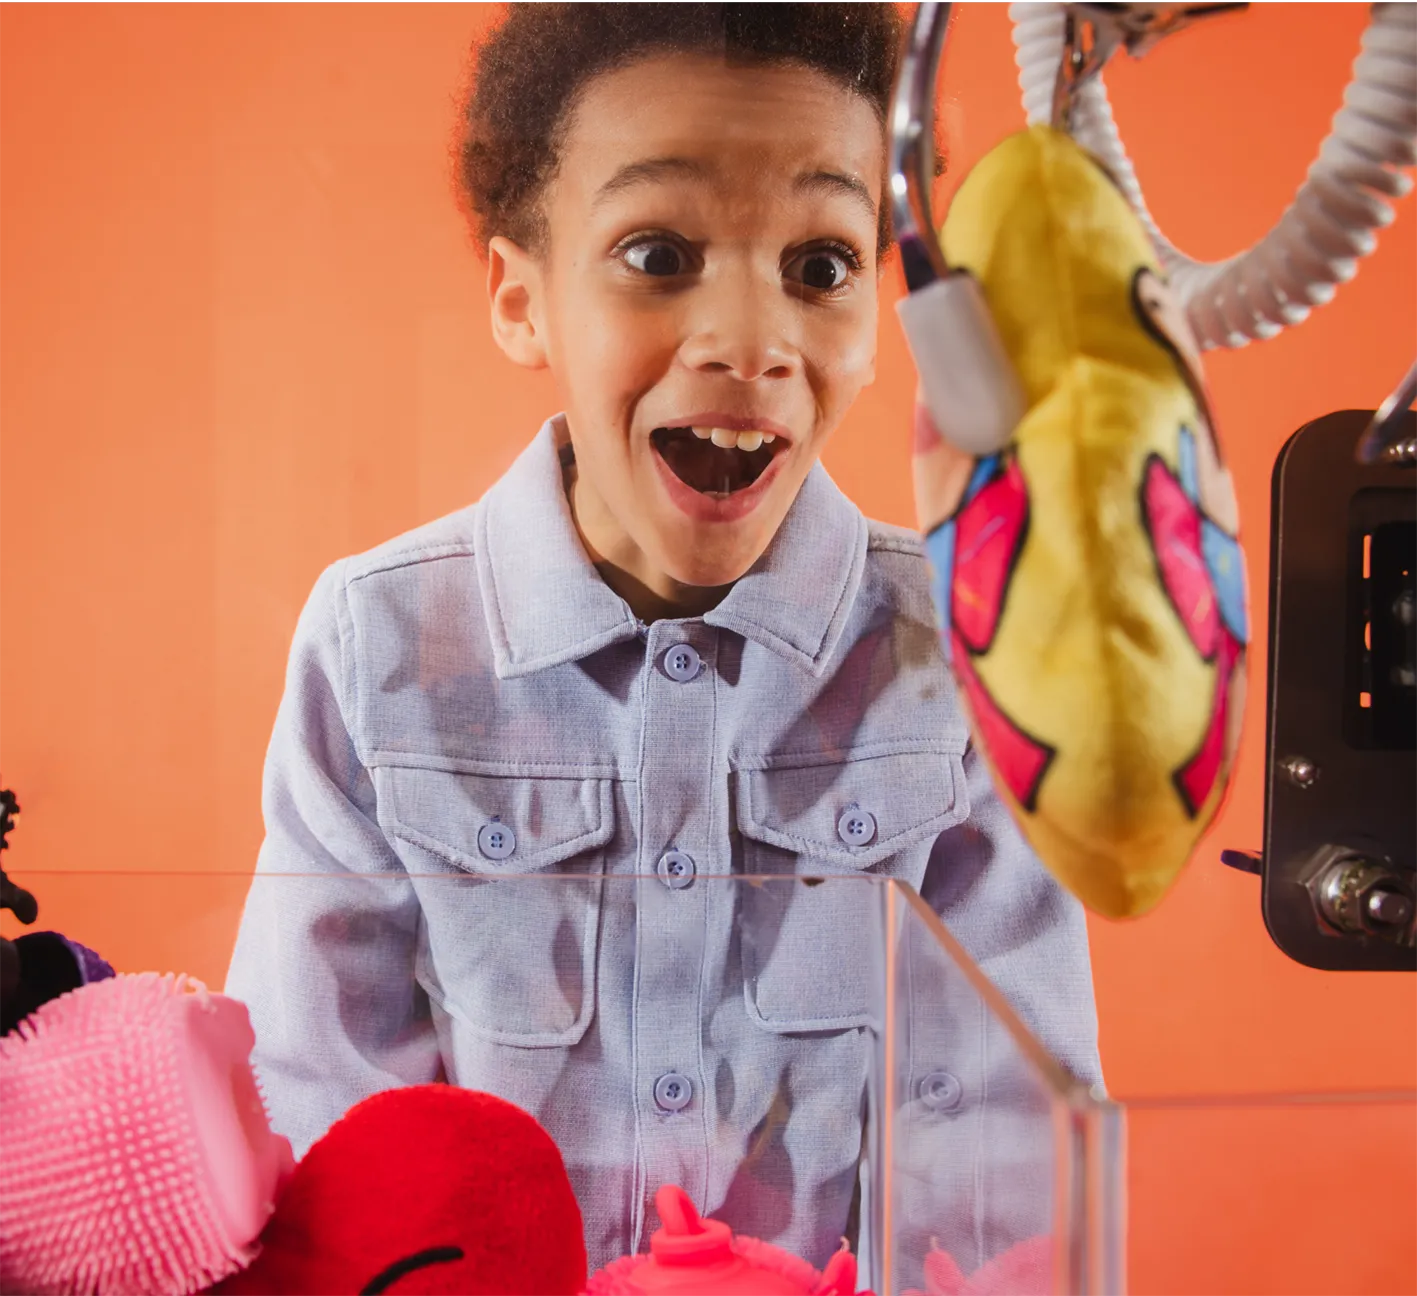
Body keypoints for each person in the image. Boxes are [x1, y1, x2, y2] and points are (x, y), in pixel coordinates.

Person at [225, 1, 1102, 1280]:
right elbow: (326, 1134)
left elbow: (1007, 1179)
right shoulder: (378, 645)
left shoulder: (969, 647)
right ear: (521, 301)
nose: (750, 343)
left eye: (821, 265)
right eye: (656, 252)